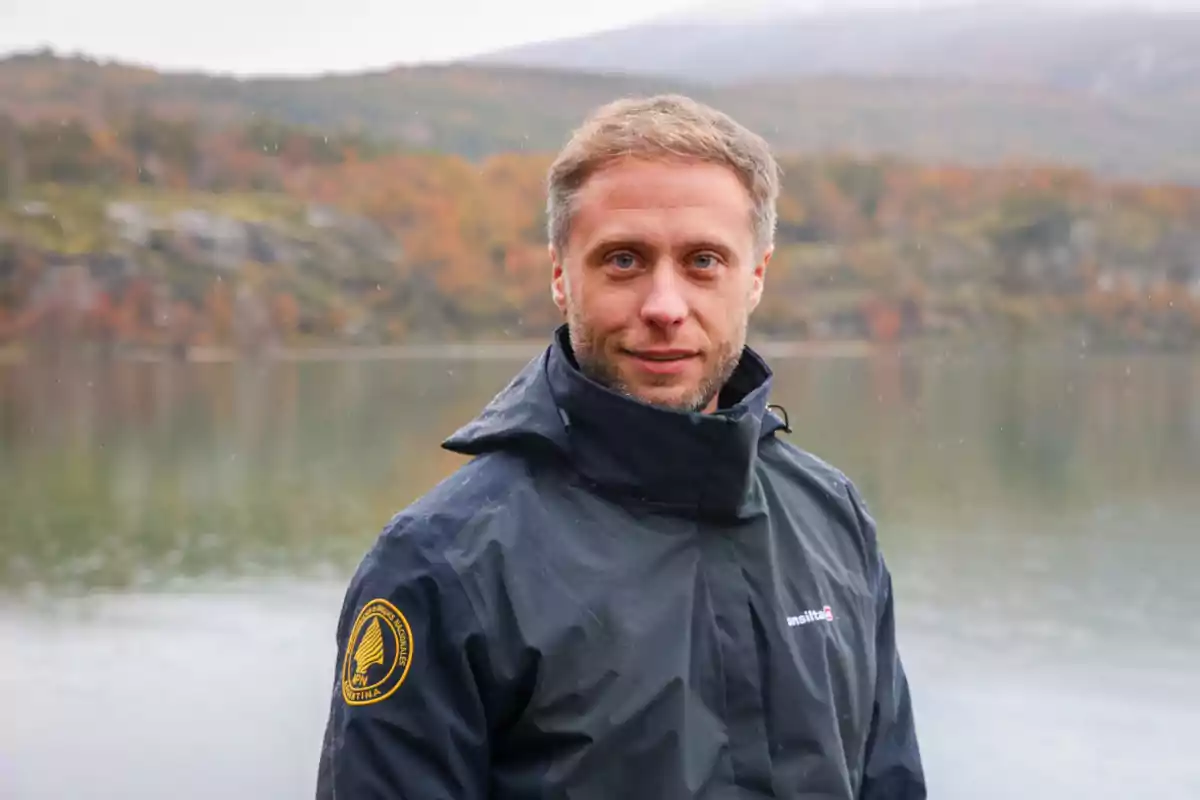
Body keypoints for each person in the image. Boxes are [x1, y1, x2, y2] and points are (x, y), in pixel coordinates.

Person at [315, 94, 926, 800]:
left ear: (754, 276)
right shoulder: (442, 565)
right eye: (624, 260)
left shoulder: (831, 518)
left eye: (703, 261)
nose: (664, 306)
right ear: (559, 274)